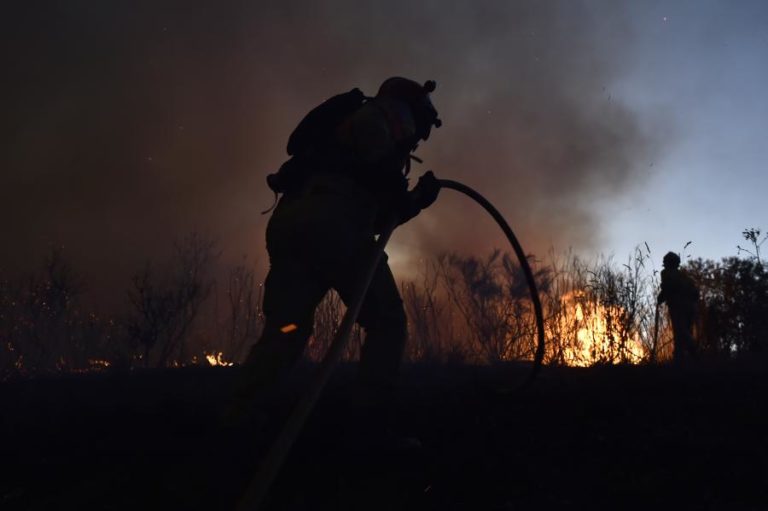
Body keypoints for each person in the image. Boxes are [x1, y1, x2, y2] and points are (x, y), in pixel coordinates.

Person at [234, 77, 443, 406]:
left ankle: (238, 418)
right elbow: (382, 194)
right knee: (386, 321)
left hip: (293, 226)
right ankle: (367, 429)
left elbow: (378, 217)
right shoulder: (388, 115)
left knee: (287, 330)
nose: (417, 140)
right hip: (333, 226)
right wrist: (411, 197)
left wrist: (415, 199)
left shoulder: (337, 135)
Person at [657, 251, 699, 363]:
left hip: (679, 307)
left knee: (680, 331)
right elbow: (695, 293)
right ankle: (682, 359)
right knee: (685, 331)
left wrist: (660, 298)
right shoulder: (684, 275)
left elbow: (668, 287)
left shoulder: (666, 273)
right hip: (691, 307)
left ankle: (693, 350)